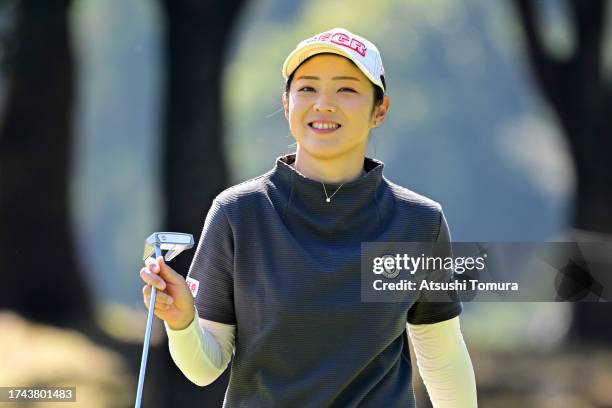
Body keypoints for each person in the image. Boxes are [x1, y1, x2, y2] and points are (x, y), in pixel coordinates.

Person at [140, 27, 477, 407]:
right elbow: (204, 368)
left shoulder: (418, 222)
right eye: (307, 88)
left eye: (347, 89)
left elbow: (442, 357)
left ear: (379, 110)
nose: (324, 104)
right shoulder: (239, 213)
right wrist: (182, 321)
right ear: (287, 105)